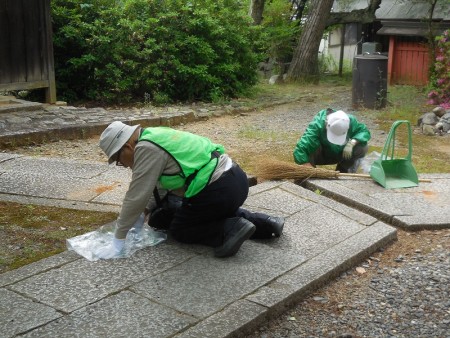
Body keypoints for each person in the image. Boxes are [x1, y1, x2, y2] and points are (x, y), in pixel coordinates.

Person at [96, 121, 285, 259]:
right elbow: (157, 189)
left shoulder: (145, 148)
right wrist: (144, 212)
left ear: (127, 147)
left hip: (218, 190)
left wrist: (119, 238)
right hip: (234, 181)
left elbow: (136, 195)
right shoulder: (154, 135)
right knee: (163, 216)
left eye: (119, 161)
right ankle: (267, 223)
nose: (123, 165)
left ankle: (230, 229)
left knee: (181, 229)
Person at [293, 109, 371, 173]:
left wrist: (352, 143)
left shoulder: (349, 121)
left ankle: (343, 173)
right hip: (322, 155)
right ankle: (307, 180)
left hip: (340, 154)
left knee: (362, 147)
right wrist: (309, 169)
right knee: (307, 149)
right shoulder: (317, 125)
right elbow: (300, 150)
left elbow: (363, 131)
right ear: (327, 125)